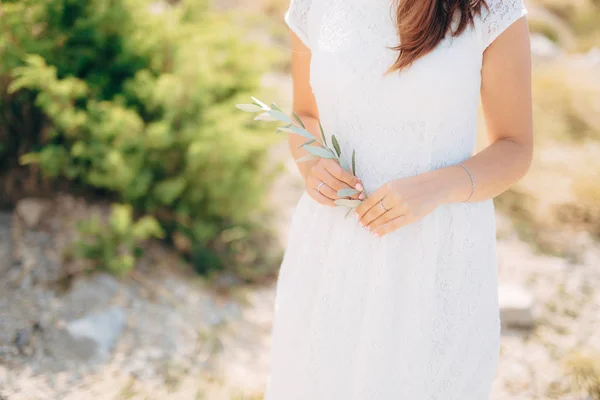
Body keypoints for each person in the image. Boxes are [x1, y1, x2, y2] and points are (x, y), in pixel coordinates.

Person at [265, 0, 533, 398]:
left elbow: (515, 147)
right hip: (333, 249)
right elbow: (304, 113)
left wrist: (438, 186)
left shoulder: (492, 8)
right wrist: (311, 164)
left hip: (437, 255)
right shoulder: (313, 5)